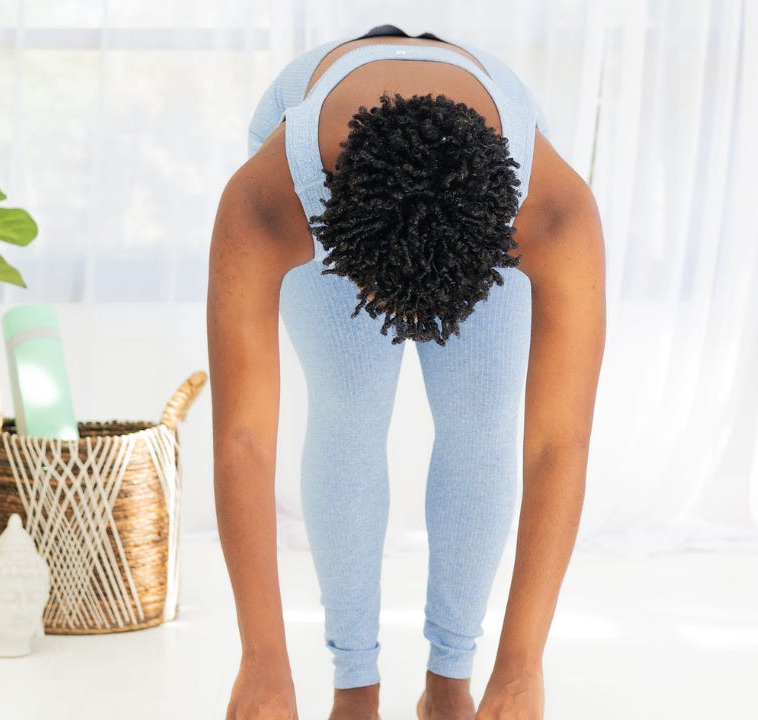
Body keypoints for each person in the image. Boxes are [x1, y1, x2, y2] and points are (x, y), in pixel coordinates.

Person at [207, 23, 605, 720]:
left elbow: (555, 444)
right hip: (331, 174)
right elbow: (243, 437)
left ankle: (450, 684)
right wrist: (261, 663)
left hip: (473, 191)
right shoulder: (271, 202)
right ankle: (354, 686)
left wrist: (521, 667)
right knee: (349, 408)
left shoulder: (553, 212)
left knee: (482, 413)